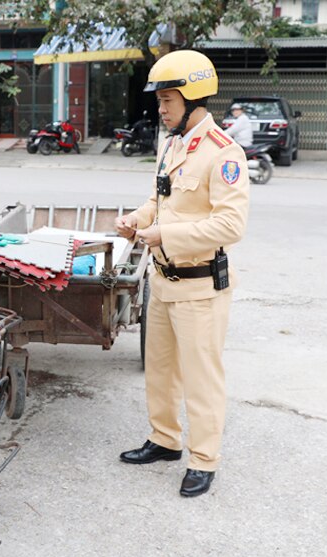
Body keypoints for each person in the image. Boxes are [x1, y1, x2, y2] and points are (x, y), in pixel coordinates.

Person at [113, 50, 250, 498]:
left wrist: (163, 236)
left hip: (200, 288)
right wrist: (137, 218)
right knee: (161, 371)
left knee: (201, 377)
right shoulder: (171, 144)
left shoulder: (223, 154)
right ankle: (165, 440)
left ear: (194, 99)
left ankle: (204, 459)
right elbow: (162, 200)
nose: (162, 108)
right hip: (164, 281)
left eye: (169, 99)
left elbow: (231, 226)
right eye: (160, 101)